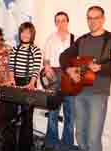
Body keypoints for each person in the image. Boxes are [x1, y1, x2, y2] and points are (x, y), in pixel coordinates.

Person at [59, 6, 111, 151]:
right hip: (78, 91)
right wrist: (69, 70)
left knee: (93, 138)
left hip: (98, 94)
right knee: (80, 134)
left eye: (96, 18)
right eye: (89, 18)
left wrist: (101, 68)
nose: (92, 21)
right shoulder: (82, 39)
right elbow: (64, 56)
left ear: (103, 19)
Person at [43, 11, 76, 150]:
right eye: (58, 21)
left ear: (67, 22)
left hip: (70, 77)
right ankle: (51, 143)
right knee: (53, 112)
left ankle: (67, 144)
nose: (61, 23)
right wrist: (46, 67)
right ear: (55, 23)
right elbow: (46, 58)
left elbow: (78, 60)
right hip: (54, 76)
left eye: (63, 20)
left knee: (70, 114)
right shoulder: (50, 38)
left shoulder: (75, 39)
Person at [8, 22, 42, 151]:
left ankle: (25, 147)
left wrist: (32, 83)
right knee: (11, 115)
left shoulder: (35, 50)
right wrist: (12, 81)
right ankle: (10, 145)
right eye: (23, 32)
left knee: (27, 117)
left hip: (29, 83)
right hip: (15, 82)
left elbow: (36, 69)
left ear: (32, 34)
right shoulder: (14, 49)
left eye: (28, 32)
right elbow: (11, 67)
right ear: (20, 33)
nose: (25, 35)